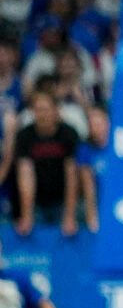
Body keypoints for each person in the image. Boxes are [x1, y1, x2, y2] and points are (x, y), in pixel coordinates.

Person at [9, 89, 81, 239]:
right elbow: (25, 176)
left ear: (56, 110)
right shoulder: (25, 136)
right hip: (37, 203)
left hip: (63, 200)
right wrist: (27, 215)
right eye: (38, 110)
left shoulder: (69, 134)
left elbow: (72, 175)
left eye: (46, 109)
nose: (42, 114)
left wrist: (69, 215)